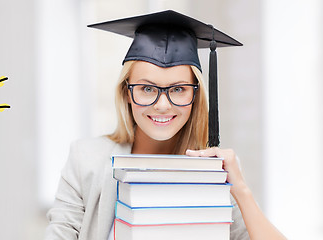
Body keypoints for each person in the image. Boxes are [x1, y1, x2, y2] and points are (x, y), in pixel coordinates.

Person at [45, 10, 286, 240]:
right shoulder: (86, 159)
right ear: (126, 92)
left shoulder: (214, 170)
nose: (162, 105)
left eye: (178, 89)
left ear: (196, 96)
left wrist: (241, 190)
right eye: (147, 89)